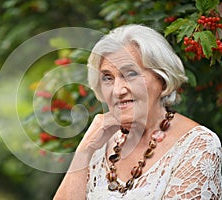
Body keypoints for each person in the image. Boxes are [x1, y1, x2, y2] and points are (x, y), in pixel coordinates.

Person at [53, 24, 222, 199]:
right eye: (108, 78)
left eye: (131, 74)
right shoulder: (98, 142)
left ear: (162, 79)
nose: (117, 90)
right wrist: (85, 150)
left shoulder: (198, 146)